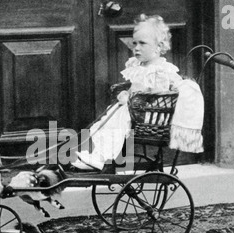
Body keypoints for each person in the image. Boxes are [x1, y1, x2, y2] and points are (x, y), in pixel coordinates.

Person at [71, 14, 204, 171]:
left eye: (142, 43)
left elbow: (158, 91)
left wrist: (134, 96)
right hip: (135, 109)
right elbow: (134, 87)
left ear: (159, 47)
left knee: (117, 124)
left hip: (150, 114)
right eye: (134, 43)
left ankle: (102, 159)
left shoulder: (159, 70)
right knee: (107, 124)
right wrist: (125, 94)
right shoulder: (139, 67)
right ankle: (97, 156)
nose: (136, 48)